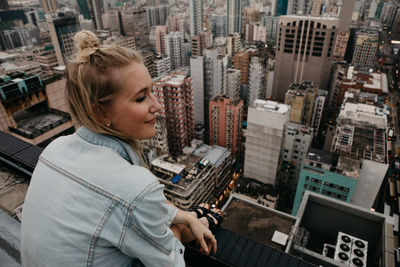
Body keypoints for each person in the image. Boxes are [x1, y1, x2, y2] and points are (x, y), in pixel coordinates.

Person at [20, 30, 217, 267]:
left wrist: (185, 216)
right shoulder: (133, 186)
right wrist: (180, 233)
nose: (157, 105)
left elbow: (117, 205)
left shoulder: (55, 149)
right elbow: (171, 262)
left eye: (152, 92)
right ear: (100, 112)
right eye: (141, 98)